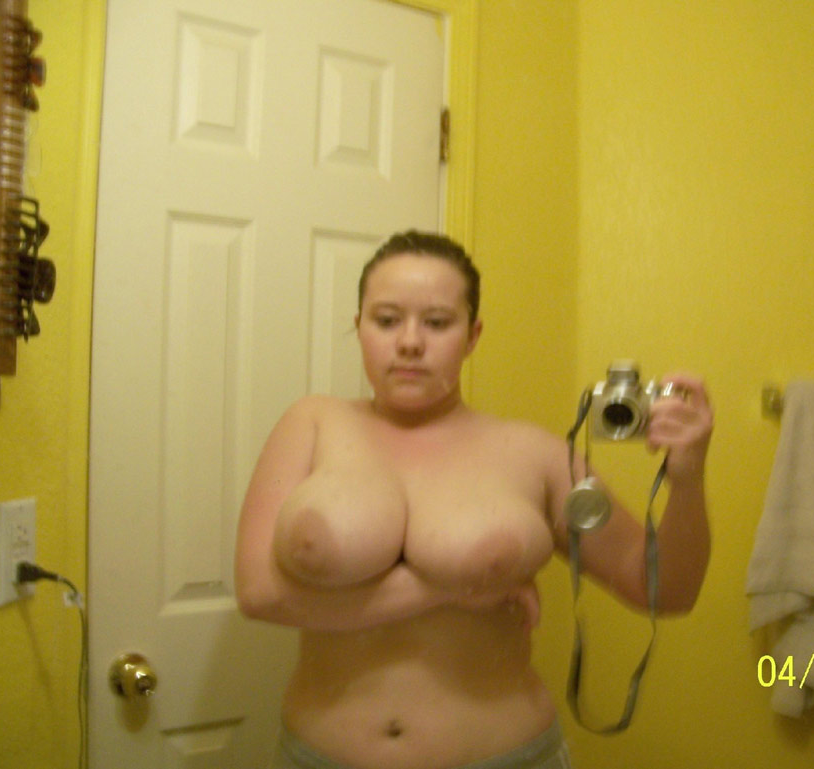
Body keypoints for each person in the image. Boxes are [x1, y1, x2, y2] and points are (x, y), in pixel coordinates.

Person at [234, 230, 713, 769]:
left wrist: (688, 479)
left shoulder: (535, 453)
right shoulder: (313, 422)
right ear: (359, 325)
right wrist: (452, 590)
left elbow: (664, 591)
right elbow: (258, 595)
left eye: (437, 322)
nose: (409, 342)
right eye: (386, 320)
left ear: (472, 335)